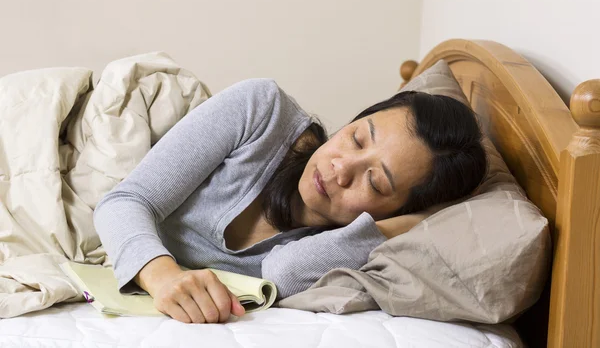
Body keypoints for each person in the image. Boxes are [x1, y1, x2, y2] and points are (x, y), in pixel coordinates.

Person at [94, 79, 487, 324]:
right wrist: (164, 276)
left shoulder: (336, 245)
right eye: (357, 138)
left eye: (375, 182)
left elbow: (281, 272)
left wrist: (391, 228)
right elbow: (126, 200)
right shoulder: (261, 110)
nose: (340, 168)